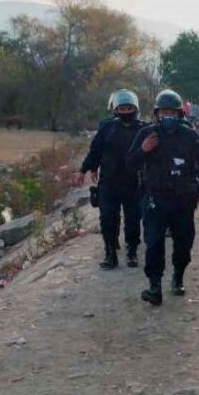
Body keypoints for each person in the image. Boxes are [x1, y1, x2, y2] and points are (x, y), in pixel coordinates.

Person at [127, 89, 199, 306]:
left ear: (179, 114)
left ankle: (178, 276)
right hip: (155, 198)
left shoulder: (190, 137)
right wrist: (144, 150)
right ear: (157, 113)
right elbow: (130, 164)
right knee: (154, 242)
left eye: (172, 113)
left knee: (184, 242)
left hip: (183, 200)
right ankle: (154, 285)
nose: (168, 117)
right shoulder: (147, 135)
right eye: (164, 112)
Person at [78, 89, 144, 269]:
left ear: (135, 109)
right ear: (115, 110)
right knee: (107, 218)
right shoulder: (107, 128)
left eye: (129, 108)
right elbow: (95, 150)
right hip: (109, 181)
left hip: (133, 182)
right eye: (121, 109)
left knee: (133, 219)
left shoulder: (143, 129)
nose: (125, 112)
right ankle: (110, 253)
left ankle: (131, 251)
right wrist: (84, 169)